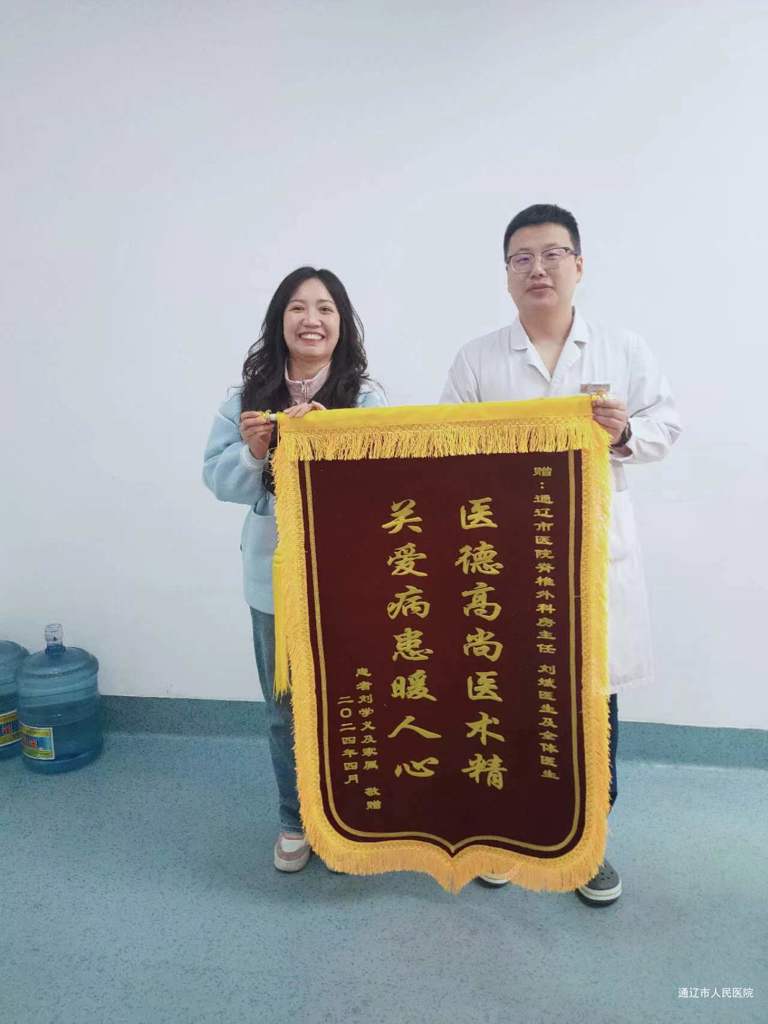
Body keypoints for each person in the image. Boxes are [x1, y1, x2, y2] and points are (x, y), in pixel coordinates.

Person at [441, 204, 681, 905]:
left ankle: (589, 843)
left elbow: (667, 423)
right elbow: (443, 446)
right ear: (506, 275)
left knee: (591, 702)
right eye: (522, 258)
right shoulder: (477, 359)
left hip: (593, 557)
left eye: (552, 255)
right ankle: (506, 834)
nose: (537, 269)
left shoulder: (622, 349)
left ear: (579, 265)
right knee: (509, 693)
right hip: (505, 559)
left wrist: (625, 432)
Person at [203, 266, 385, 874]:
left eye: (326, 308)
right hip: (273, 580)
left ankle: (349, 820)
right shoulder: (246, 398)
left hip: (347, 580)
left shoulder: (365, 398)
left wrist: (330, 442)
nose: (312, 320)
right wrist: (256, 451)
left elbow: (387, 485)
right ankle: (294, 819)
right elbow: (218, 480)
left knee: (350, 700)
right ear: (279, 321)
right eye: (298, 308)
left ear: (342, 324)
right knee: (283, 707)